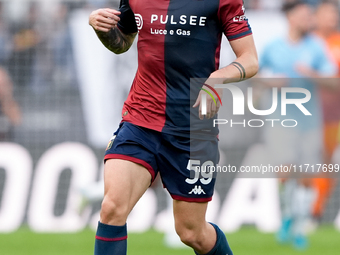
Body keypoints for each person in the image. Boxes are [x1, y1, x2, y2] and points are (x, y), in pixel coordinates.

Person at [89, 0, 258, 254]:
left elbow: (250, 59)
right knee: (112, 208)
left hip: (194, 128)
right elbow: (121, 42)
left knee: (192, 233)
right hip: (140, 119)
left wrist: (218, 77)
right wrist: (101, 27)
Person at [260, 1, 337, 250]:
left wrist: (310, 74)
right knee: (285, 170)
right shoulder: (273, 48)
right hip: (280, 120)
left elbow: (334, 82)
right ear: (291, 17)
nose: (309, 20)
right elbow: (256, 78)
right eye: (304, 15)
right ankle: (289, 217)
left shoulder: (316, 47)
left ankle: (298, 223)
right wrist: (268, 84)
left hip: (309, 120)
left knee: (305, 177)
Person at [312, 0, 340, 222]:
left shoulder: (338, 42)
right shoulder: (308, 42)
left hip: (332, 114)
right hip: (305, 112)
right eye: (327, 14)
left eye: (334, 14)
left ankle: (316, 209)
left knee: (327, 160)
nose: (332, 18)